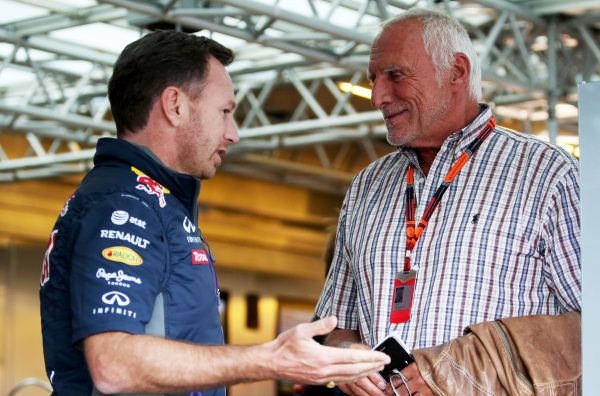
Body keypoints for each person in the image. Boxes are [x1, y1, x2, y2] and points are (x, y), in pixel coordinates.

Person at [38, 30, 390, 396]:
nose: (233, 133)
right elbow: (113, 365)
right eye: (224, 112)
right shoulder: (124, 205)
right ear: (175, 105)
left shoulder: (155, 203)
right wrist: (271, 359)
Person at [315, 8, 581, 396]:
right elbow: (334, 323)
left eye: (395, 75)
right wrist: (346, 358)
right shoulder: (366, 187)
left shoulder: (547, 175)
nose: (377, 97)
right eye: (373, 80)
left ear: (456, 72)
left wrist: (470, 367)